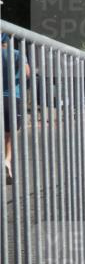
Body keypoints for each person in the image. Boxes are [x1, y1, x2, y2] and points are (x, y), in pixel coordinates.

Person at [2, 34, 31, 184]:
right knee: (10, 133)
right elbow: (27, 73)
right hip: (13, 97)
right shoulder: (18, 54)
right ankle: (7, 160)